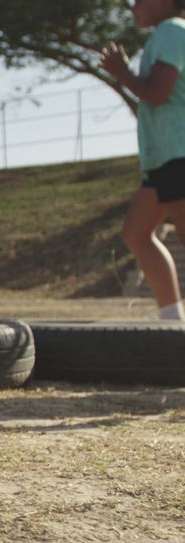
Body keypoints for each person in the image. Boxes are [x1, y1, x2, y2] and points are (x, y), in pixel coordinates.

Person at [102, 0, 185, 320]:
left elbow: (157, 92)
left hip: (179, 153)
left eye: (139, 1)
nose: (133, 7)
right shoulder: (169, 33)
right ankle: (171, 318)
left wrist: (121, 72)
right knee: (136, 232)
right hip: (166, 157)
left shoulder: (171, 31)